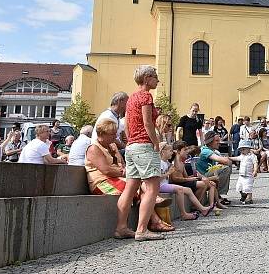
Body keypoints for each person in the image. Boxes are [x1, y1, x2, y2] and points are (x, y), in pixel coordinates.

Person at [85, 118, 173, 235]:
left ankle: (154, 220)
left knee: (137, 188)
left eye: (115, 134)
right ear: (101, 134)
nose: (115, 137)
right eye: (112, 134)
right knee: (134, 187)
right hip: (102, 182)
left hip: (116, 178)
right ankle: (154, 217)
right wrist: (124, 172)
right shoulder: (93, 148)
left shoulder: (111, 146)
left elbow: (121, 164)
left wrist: (124, 170)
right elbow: (106, 170)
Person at [116, 65, 164, 242]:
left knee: (130, 189)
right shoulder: (146, 96)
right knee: (152, 188)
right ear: (146, 78)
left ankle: (121, 227)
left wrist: (130, 141)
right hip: (144, 145)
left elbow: (127, 125)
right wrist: (156, 143)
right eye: (155, 77)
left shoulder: (131, 99)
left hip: (132, 146)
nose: (157, 80)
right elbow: (148, 123)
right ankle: (141, 230)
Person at [158, 143, 215, 219]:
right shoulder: (160, 163)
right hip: (161, 185)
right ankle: (184, 214)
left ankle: (202, 209)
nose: (172, 152)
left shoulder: (167, 162)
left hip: (165, 184)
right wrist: (168, 173)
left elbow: (183, 174)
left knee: (188, 190)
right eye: (170, 151)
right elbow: (158, 178)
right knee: (180, 190)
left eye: (172, 151)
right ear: (163, 152)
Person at [195, 130, 233, 205]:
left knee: (223, 168)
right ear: (210, 141)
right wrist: (225, 161)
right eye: (216, 141)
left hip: (206, 173)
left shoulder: (211, 150)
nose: (219, 142)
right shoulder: (206, 151)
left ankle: (218, 195)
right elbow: (225, 161)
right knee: (225, 169)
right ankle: (219, 195)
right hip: (202, 175)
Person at [234, 139, 258, 204]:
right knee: (239, 186)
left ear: (248, 149)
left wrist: (255, 170)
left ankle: (249, 198)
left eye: (243, 149)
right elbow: (236, 158)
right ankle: (243, 195)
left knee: (248, 187)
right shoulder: (242, 156)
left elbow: (255, 163)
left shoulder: (252, 156)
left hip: (249, 175)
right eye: (241, 150)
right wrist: (228, 158)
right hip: (241, 175)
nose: (242, 151)